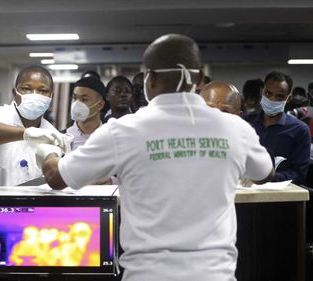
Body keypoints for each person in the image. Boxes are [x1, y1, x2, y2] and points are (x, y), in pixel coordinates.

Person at [37, 33, 274, 281]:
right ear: (200, 79)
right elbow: (265, 172)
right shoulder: (235, 128)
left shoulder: (123, 130)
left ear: (150, 79)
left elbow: (56, 177)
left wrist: (48, 149)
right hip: (215, 275)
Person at [0, 65, 68, 189]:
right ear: (14, 93)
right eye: (26, 88)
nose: (34, 95)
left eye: (42, 91)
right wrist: (27, 133)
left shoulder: (51, 134)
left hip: (24, 208)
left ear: (51, 96)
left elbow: (52, 178)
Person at [243, 71, 310, 185]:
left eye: (279, 96)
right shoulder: (245, 123)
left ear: (288, 99)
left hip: (281, 197)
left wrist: (269, 177)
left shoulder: (300, 130)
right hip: (244, 191)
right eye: (268, 93)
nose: (272, 99)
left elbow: (299, 174)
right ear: (262, 92)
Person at [65, 77, 106, 150]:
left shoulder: (109, 137)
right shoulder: (62, 137)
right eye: (74, 98)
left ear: (100, 105)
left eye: (84, 100)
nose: (76, 104)